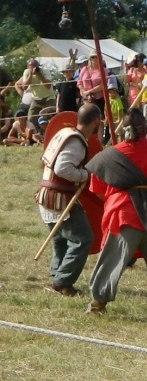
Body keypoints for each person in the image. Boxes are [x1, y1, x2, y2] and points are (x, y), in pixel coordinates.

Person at [84, 107, 147, 320]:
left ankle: (97, 304)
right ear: (144, 129)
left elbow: (98, 189)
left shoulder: (110, 155)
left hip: (123, 213)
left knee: (112, 260)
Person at [35, 103, 102, 296]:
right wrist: (86, 175)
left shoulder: (65, 132)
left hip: (46, 193)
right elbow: (62, 168)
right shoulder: (76, 141)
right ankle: (63, 283)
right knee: (83, 238)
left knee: (61, 240)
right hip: (58, 197)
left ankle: (58, 275)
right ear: (96, 121)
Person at [16, 59, 56, 134]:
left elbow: (48, 86)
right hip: (36, 99)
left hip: (48, 98)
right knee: (31, 118)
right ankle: (33, 137)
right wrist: (31, 75)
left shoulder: (45, 71)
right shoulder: (26, 72)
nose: (33, 68)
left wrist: (39, 74)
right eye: (31, 66)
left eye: (35, 66)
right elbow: (24, 87)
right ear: (28, 67)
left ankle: (50, 134)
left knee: (50, 118)